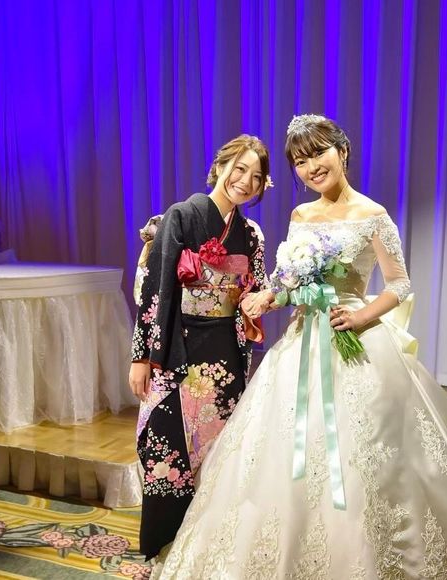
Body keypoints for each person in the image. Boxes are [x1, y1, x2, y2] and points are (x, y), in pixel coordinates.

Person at [153, 116, 447, 578]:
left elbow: (399, 284)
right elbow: (289, 282)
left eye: (318, 153)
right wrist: (269, 296)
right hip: (301, 341)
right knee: (277, 457)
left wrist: (362, 315)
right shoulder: (300, 216)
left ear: (342, 152)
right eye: (300, 161)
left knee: (370, 457)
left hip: (355, 337)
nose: (311, 167)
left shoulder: (373, 215)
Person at [129, 134, 271, 560]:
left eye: (257, 176)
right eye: (239, 169)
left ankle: (204, 550)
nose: (246, 181)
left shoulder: (250, 234)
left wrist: (256, 299)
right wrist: (141, 356)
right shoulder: (181, 216)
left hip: (224, 356)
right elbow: (156, 291)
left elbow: (256, 287)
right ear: (220, 166)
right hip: (178, 350)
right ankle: (164, 547)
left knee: (216, 456)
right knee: (166, 449)